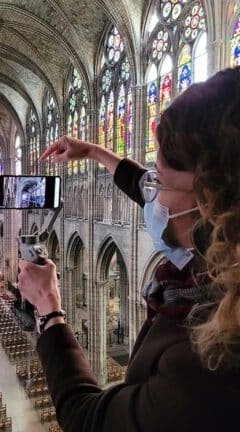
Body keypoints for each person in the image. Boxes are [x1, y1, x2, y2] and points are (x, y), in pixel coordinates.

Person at [18, 67, 240, 432]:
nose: (152, 195)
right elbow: (145, 184)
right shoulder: (217, 257)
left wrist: (49, 309)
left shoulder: (211, 358)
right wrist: (93, 152)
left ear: (211, 201)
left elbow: (86, 418)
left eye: (161, 180)